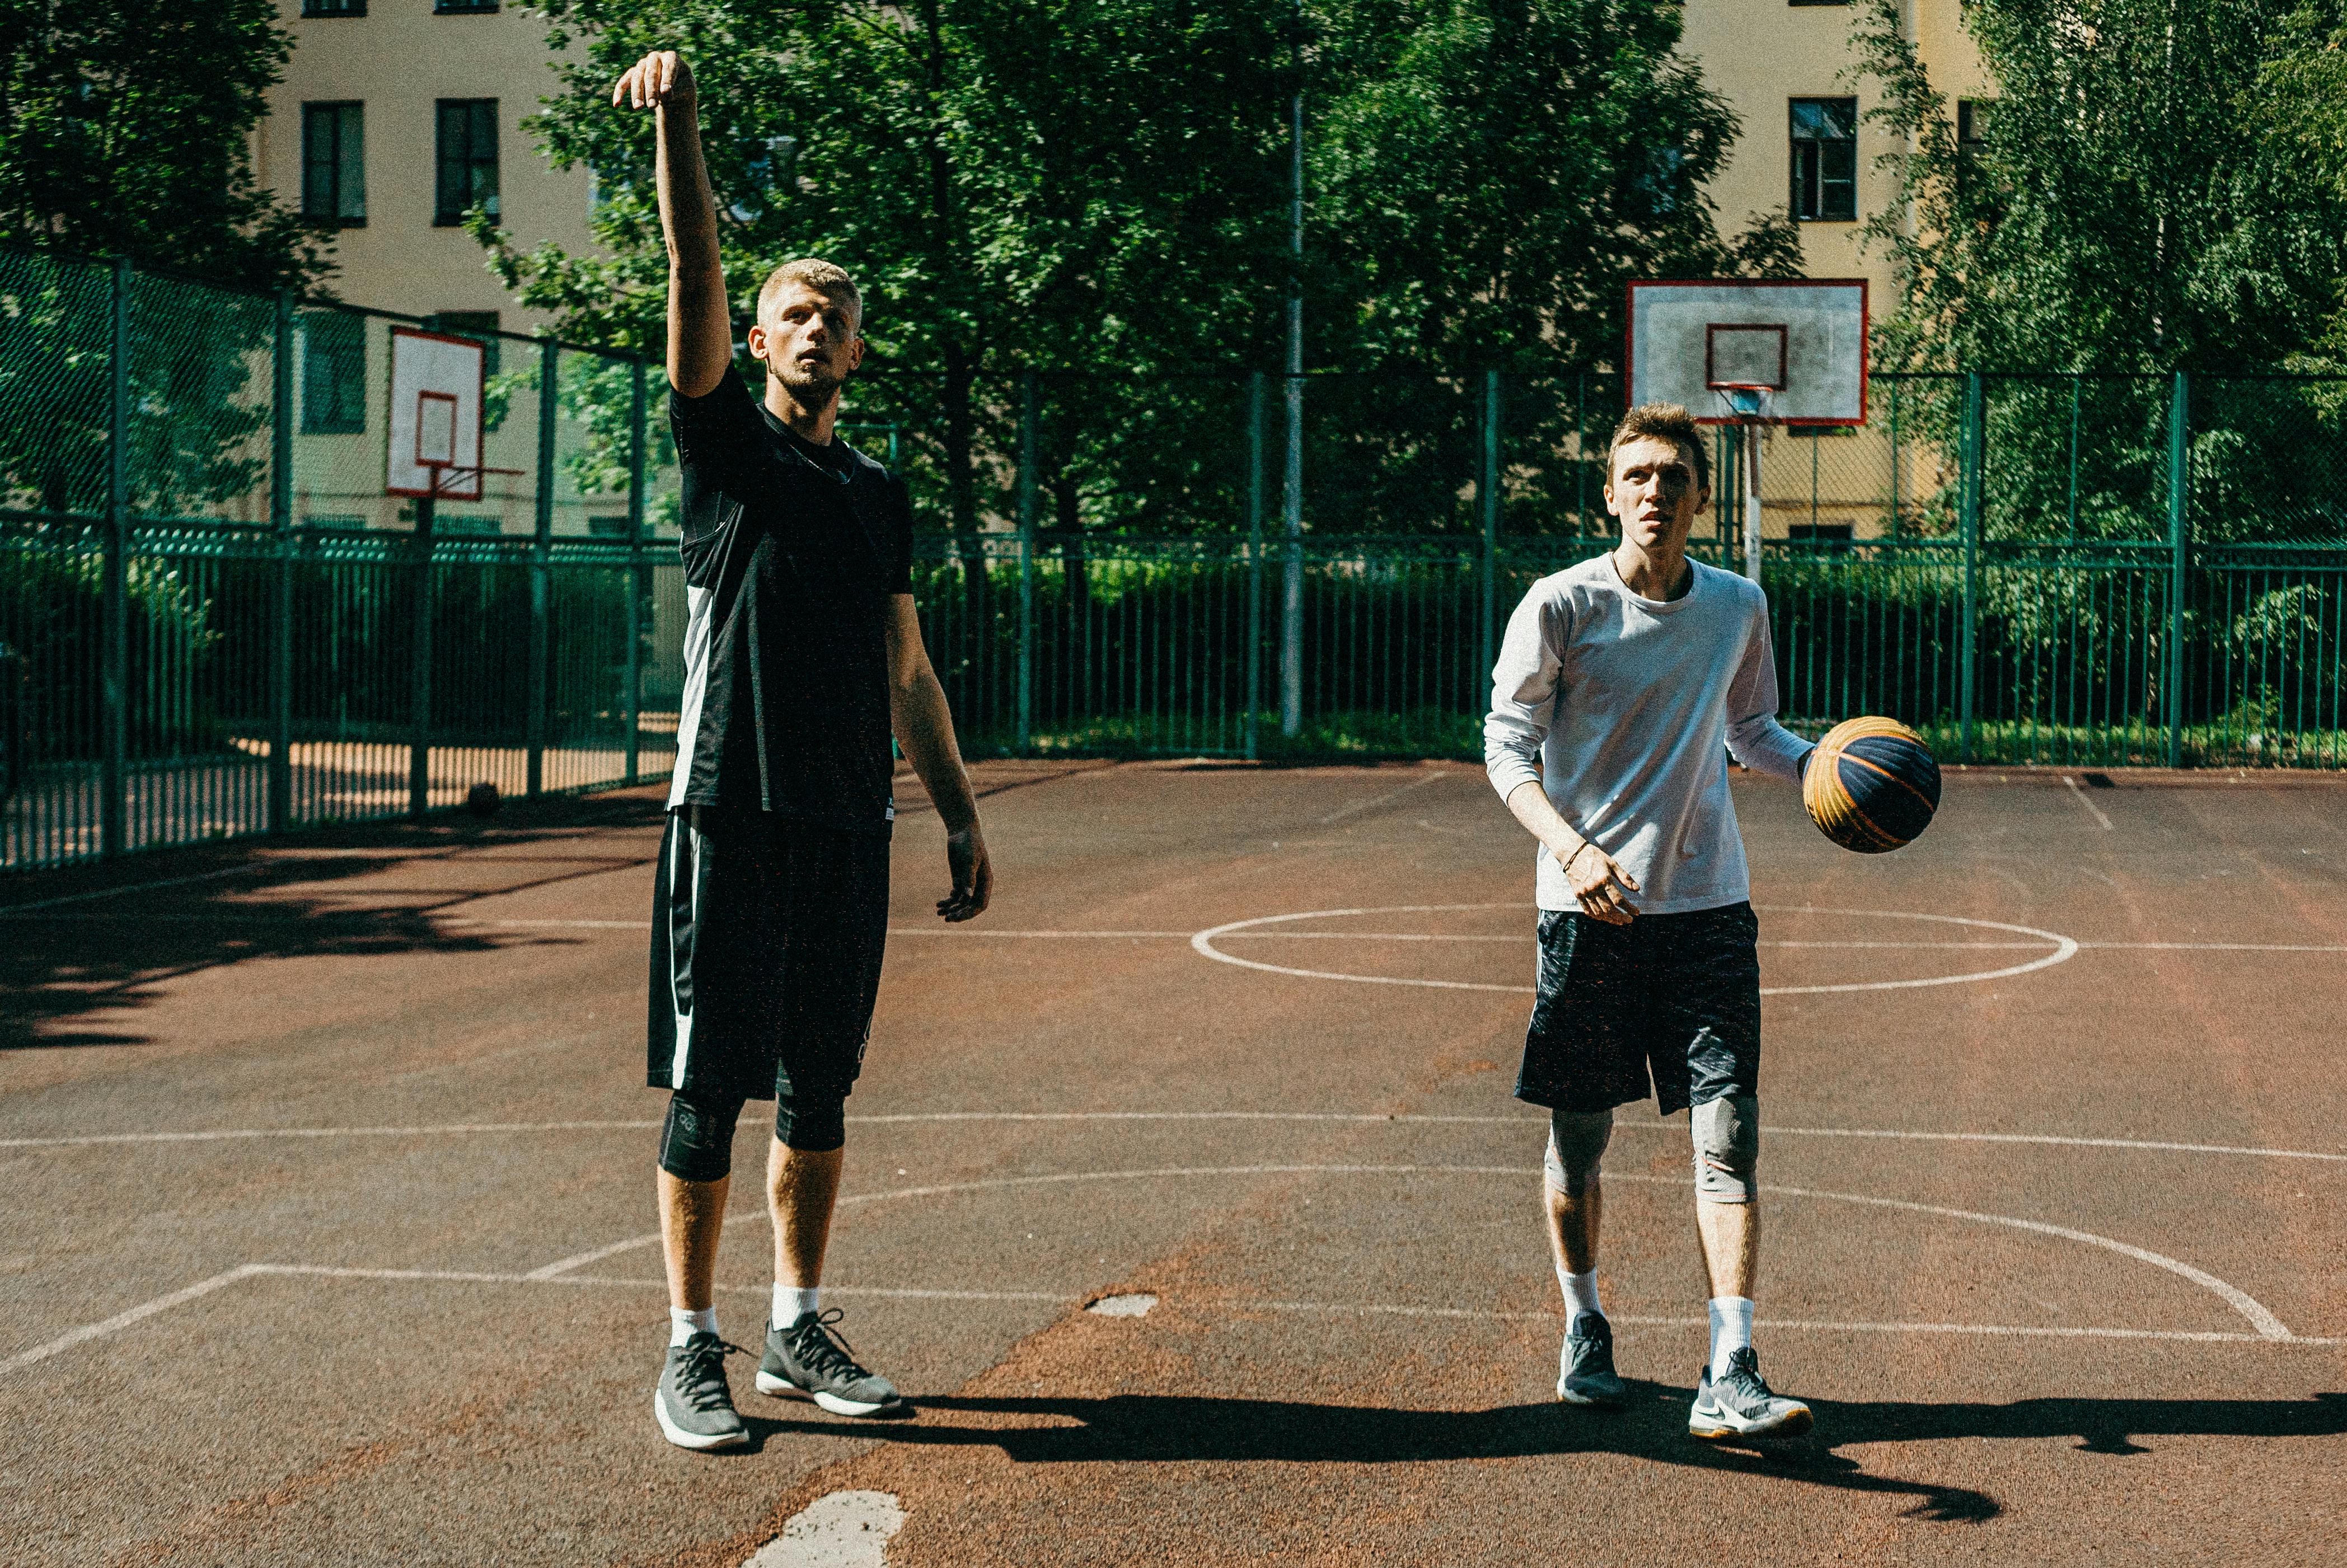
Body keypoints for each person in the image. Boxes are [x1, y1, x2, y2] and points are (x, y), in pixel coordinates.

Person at [614, 49, 994, 1452]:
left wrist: (956, 810)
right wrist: (687, 134)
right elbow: (692, 270)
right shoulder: (726, 450)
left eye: (836, 309)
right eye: (794, 310)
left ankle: (796, 1323)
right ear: (760, 343)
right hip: (728, 808)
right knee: (714, 1087)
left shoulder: (874, 488)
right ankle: (688, 1347)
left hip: (847, 818)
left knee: (822, 1086)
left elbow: (906, 661)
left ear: (857, 342)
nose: (817, 323)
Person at [1483, 402, 1815, 1440]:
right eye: (1636, 475)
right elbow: (1504, 750)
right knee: (1580, 1139)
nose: (1654, 492)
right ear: (1610, 492)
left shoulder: (1736, 606)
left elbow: (1748, 727)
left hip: (1707, 905)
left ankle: (1731, 1361)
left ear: (1700, 496)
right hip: (1590, 911)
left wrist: (1824, 766)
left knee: (1730, 1134)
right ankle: (1584, 1320)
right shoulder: (1559, 605)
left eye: (1673, 475)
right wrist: (1571, 851)